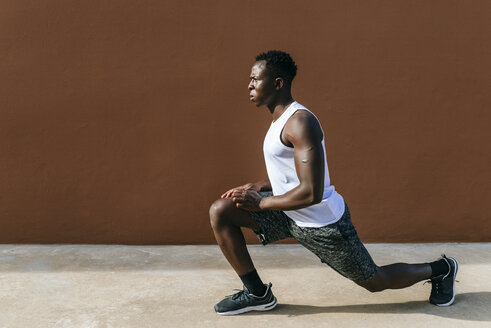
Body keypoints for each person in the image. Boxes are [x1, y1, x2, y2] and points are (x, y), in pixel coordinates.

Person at [209, 50, 458, 316]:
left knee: (375, 281)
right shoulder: (278, 121)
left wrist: (261, 203)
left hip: (322, 224)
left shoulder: (300, 122)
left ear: (278, 83)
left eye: (255, 79)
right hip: (288, 215)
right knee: (221, 211)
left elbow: (311, 192)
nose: (249, 85)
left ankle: (441, 269)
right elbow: (291, 175)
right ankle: (257, 294)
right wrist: (259, 186)